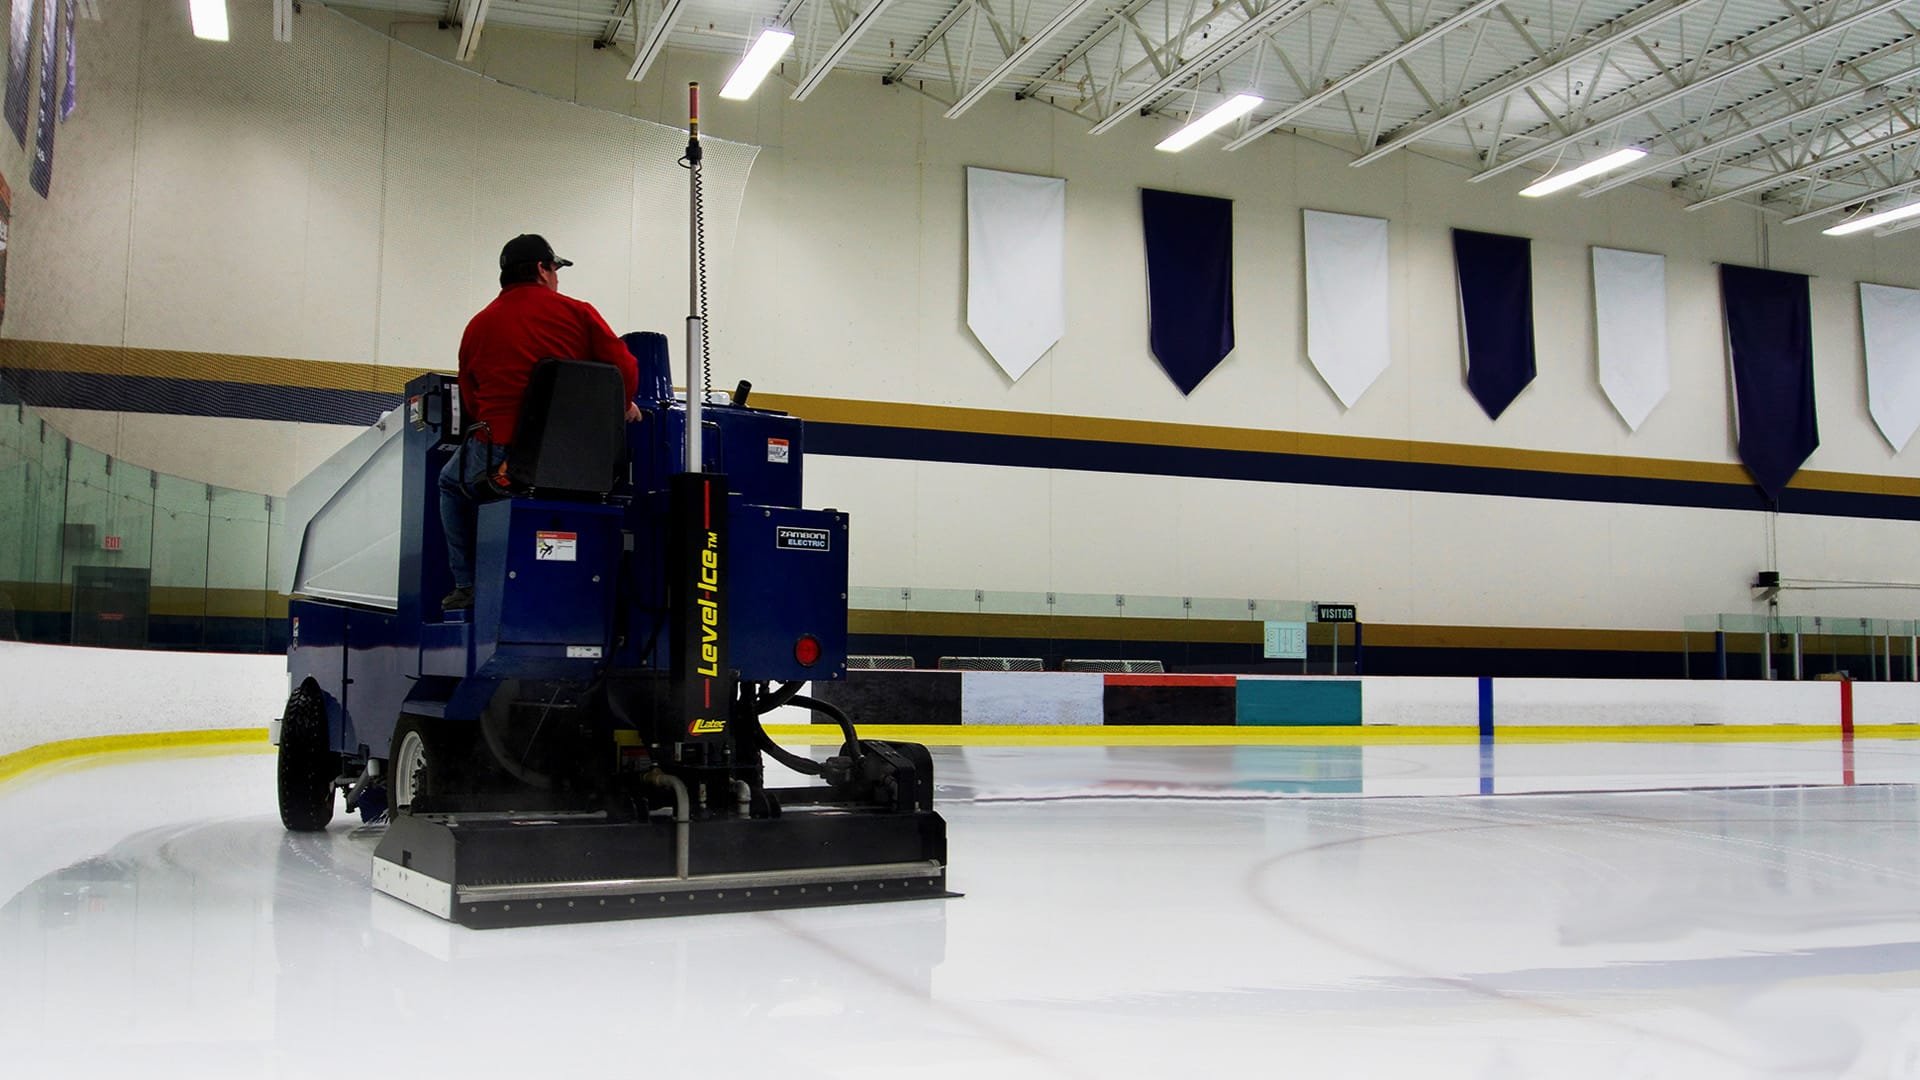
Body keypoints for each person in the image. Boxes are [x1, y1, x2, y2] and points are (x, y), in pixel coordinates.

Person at [438, 233, 640, 612]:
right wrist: (624, 403)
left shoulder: (478, 325)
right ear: (541, 270)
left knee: (451, 484)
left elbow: (471, 399)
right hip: (573, 462)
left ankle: (466, 586)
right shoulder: (578, 313)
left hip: (502, 456)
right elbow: (625, 366)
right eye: (555, 269)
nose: (557, 278)